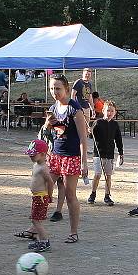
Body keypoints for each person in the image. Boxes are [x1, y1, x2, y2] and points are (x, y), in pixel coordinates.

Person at [43, 74, 88, 242]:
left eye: (58, 88)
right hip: (55, 154)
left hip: (71, 157)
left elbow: (83, 138)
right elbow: (49, 131)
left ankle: (73, 232)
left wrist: (84, 162)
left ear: (67, 89)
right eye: (52, 88)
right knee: (42, 187)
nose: (55, 92)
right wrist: (48, 124)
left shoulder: (74, 109)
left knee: (70, 195)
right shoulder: (53, 108)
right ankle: (35, 226)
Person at [15, 139, 54, 252]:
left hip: (41, 197)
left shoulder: (43, 168)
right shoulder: (36, 165)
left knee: (35, 220)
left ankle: (44, 242)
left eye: (33, 155)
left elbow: (50, 182)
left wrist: (49, 195)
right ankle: (38, 238)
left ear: (42, 154)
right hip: (37, 197)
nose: (30, 157)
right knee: (36, 219)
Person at [89, 100, 124, 206]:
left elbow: (118, 139)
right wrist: (90, 131)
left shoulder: (115, 124)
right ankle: (93, 194)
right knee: (97, 174)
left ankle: (107, 195)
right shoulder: (98, 122)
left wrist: (121, 152)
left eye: (112, 111)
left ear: (115, 112)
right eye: (108, 110)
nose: (109, 113)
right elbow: (92, 136)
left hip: (109, 154)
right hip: (98, 153)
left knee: (108, 175)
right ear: (103, 111)